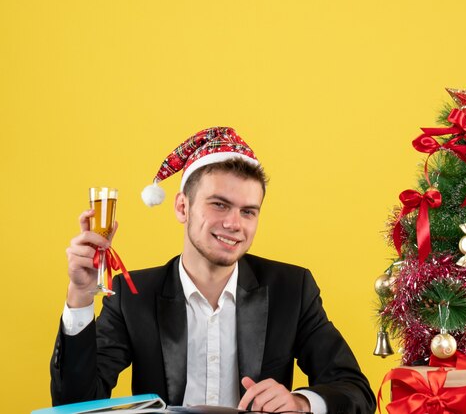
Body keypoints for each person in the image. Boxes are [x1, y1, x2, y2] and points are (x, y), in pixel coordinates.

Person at [50, 127, 376, 414]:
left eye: (248, 211)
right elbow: (75, 405)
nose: (234, 224)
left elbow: (355, 391)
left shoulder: (292, 289)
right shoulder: (132, 294)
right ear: (182, 207)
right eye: (219, 204)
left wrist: (301, 403)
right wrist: (80, 296)